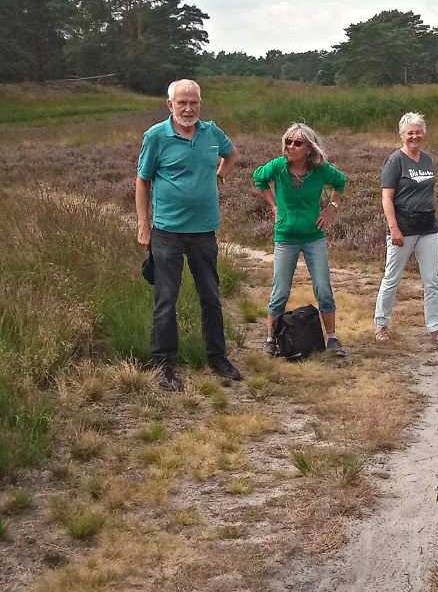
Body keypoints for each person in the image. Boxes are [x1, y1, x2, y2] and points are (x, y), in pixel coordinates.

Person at [136, 78, 242, 387]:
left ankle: (218, 358)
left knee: (210, 295)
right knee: (166, 298)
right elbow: (142, 181)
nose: (188, 108)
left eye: (193, 102)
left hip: (204, 231)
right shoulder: (156, 136)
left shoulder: (211, 132)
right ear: (170, 105)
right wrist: (144, 225)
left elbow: (231, 153)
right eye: (181, 102)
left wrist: (219, 176)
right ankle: (164, 364)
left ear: (200, 103)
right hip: (167, 232)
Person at [254, 122, 349, 356]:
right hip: (285, 237)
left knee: (323, 287)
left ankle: (333, 339)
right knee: (281, 290)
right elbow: (259, 178)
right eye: (288, 142)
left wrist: (331, 209)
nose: (291, 146)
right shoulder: (277, 167)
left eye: (297, 143)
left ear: (309, 148)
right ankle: (270, 340)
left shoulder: (320, 170)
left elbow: (340, 182)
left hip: (314, 237)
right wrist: (274, 206)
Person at [374, 112, 438, 346]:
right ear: (401, 135)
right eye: (410, 133)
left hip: (428, 228)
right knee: (392, 278)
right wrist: (394, 228)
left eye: (418, 132)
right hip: (403, 229)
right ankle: (381, 324)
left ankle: (436, 329)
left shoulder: (427, 159)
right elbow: (387, 198)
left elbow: (431, 192)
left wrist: (435, 216)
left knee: (431, 280)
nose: (414, 136)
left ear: (423, 133)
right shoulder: (394, 161)